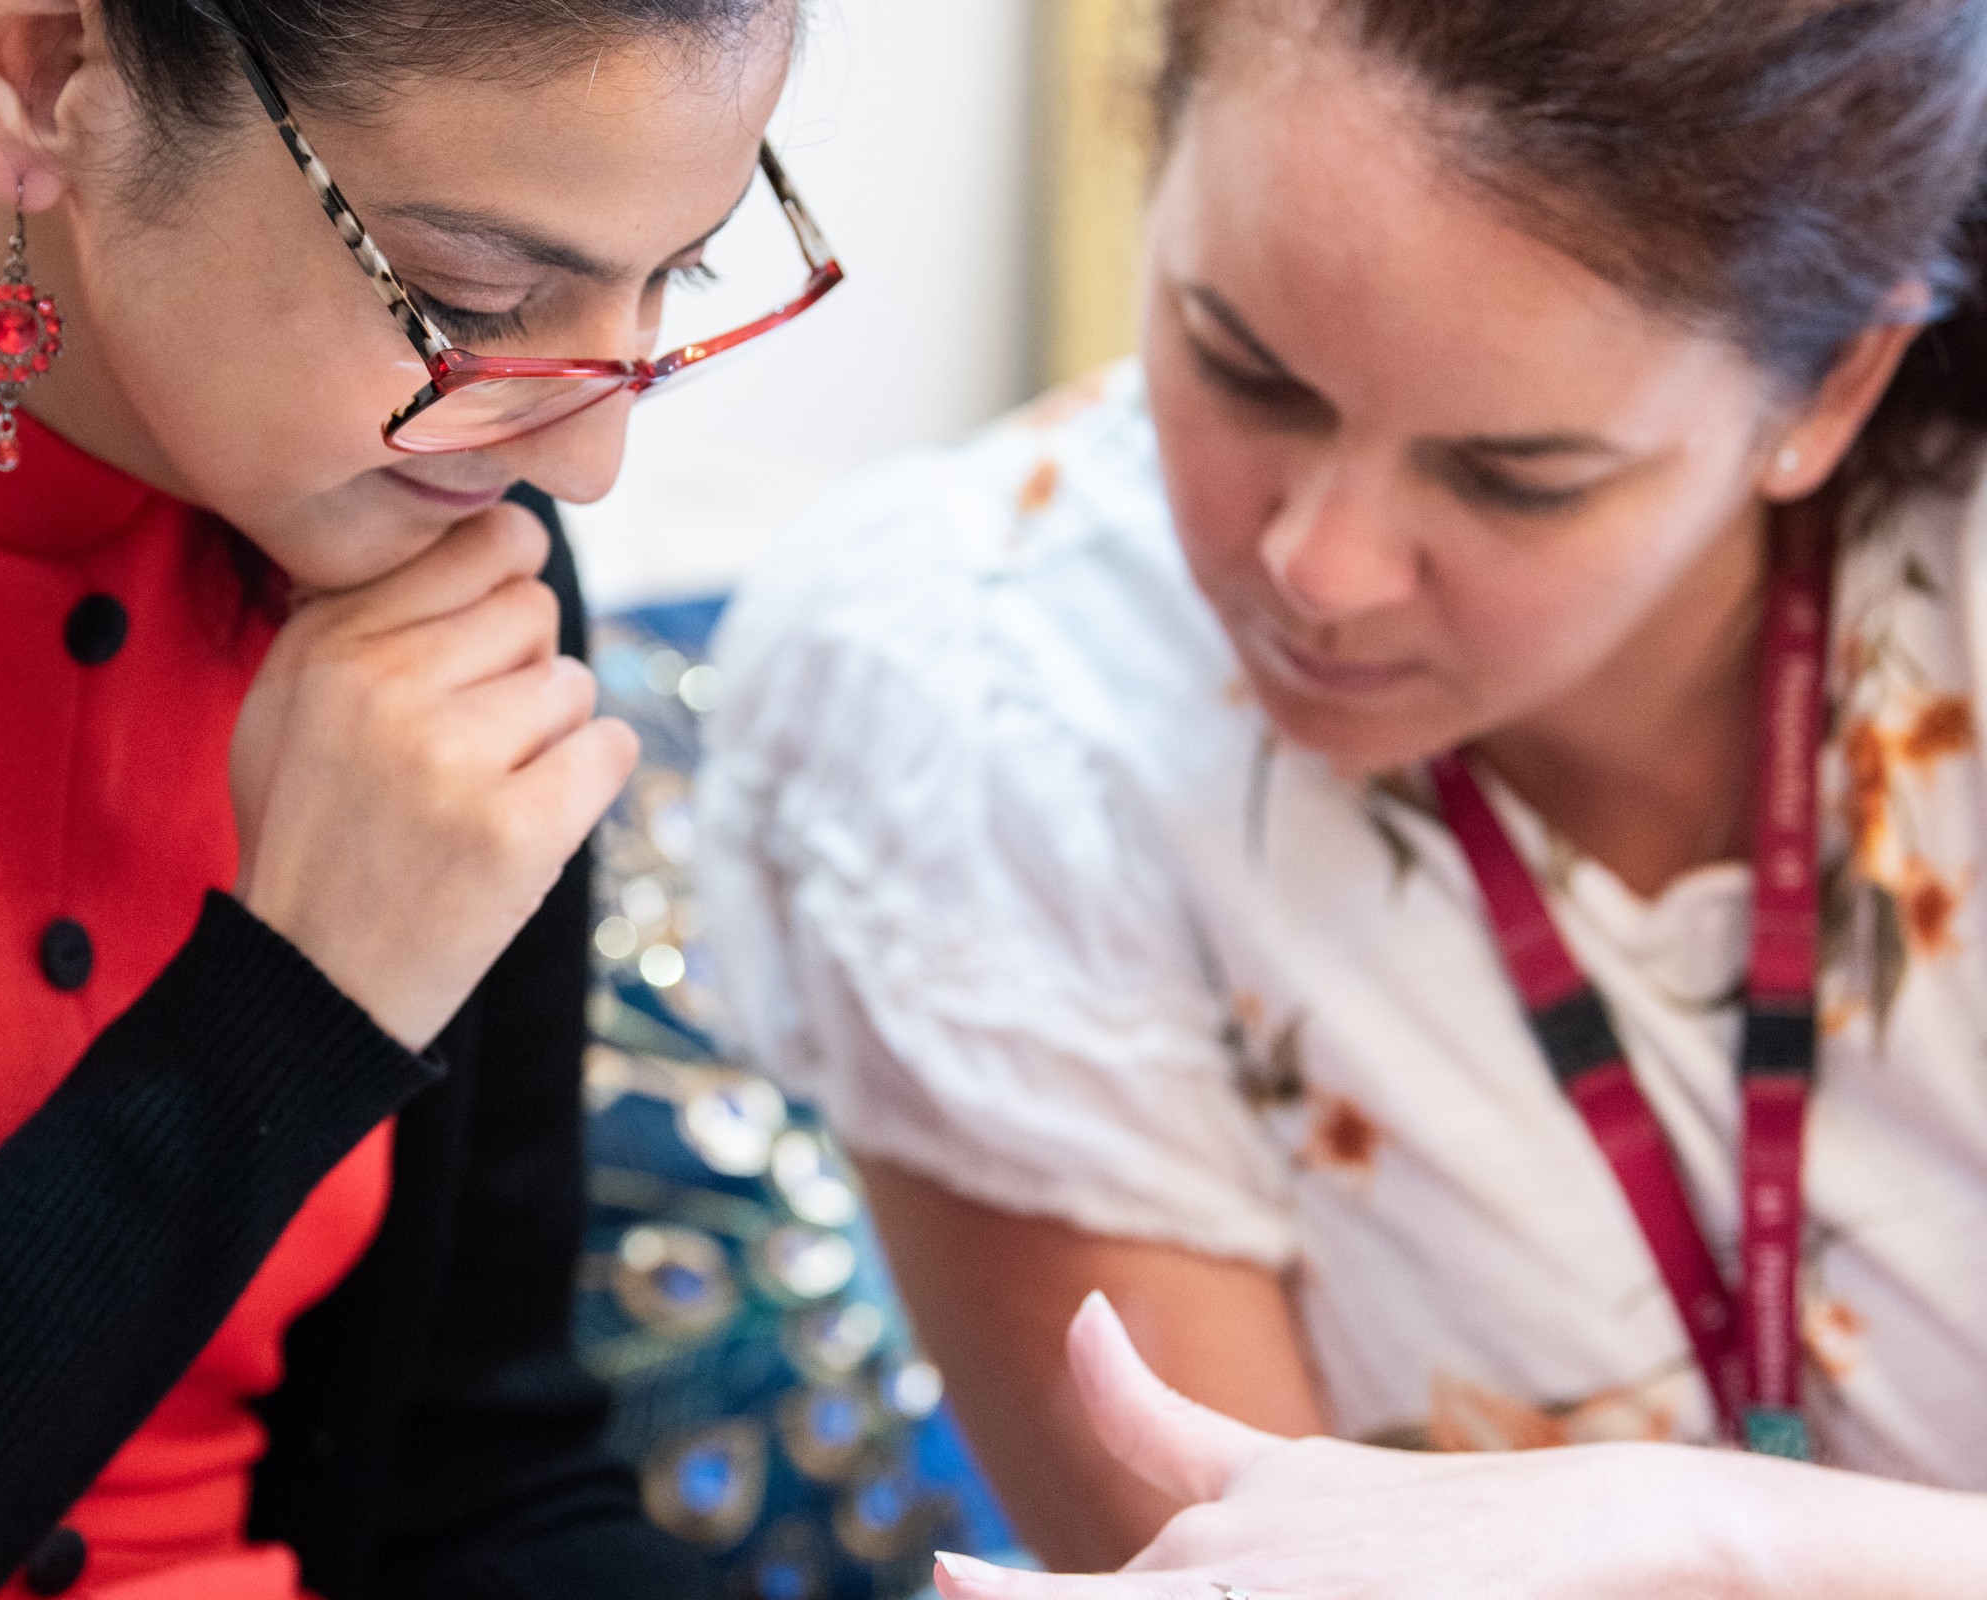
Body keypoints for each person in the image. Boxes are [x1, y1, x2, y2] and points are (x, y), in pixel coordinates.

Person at [697, 0, 1987, 1589]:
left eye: (1513, 476)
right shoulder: (975, 698)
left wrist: (1715, 1539)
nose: (1321, 569)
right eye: (1244, 371)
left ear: (1837, 388)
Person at [0, 0, 837, 1594]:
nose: (585, 463)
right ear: (45, 70)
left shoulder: (447, 517)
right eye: (471, 301)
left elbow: (475, 1495)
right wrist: (299, 1006)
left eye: (681, 277)